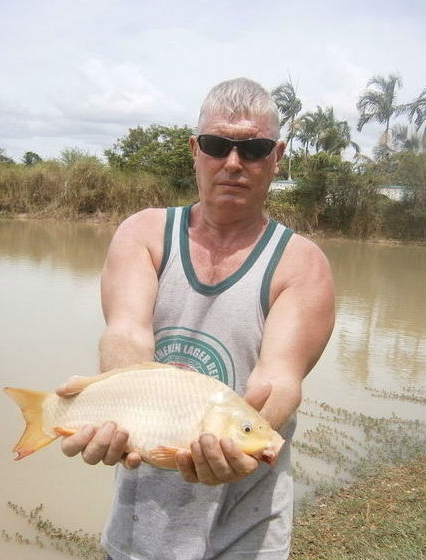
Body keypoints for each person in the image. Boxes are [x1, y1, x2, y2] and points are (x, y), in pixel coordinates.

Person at [57, 77, 335, 560]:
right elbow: (126, 332)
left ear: (276, 157)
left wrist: (246, 448)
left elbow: (279, 380)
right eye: (216, 145)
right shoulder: (144, 233)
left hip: (248, 537)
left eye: (253, 149)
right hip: (138, 529)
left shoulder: (301, 264)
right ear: (194, 149)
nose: (233, 163)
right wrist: (110, 402)